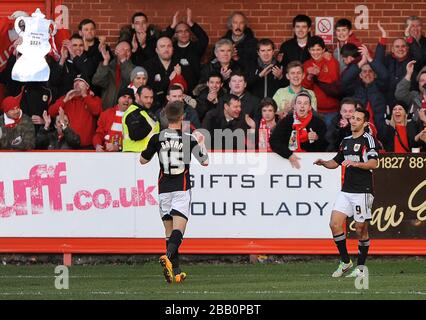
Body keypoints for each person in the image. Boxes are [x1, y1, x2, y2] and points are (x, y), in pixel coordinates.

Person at [140, 101, 208, 283]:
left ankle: (176, 272)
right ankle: (168, 257)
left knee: (168, 233)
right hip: (181, 188)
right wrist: (201, 143)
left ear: (166, 117)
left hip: (164, 190)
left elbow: (142, 160)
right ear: (182, 117)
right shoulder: (188, 139)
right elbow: (205, 161)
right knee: (179, 231)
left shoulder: (157, 138)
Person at [314, 107, 379, 278]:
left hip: (363, 191)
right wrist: (323, 163)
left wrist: (356, 164)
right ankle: (345, 261)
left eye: (358, 119)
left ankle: (361, 268)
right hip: (347, 190)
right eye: (352, 118)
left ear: (365, 123)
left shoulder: (368, 140)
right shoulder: (346, 140)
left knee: (360, 230)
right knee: (334, 224)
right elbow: (336, 162)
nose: (353, 121)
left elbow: (373, 164)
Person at [270, 92, 327, 169]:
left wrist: (317, 138)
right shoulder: (287, 121)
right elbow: (274, 141)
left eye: (305, 103)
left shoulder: (319, 123)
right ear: (294, 106)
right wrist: (289, 155)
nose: (302, 106)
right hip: (287, 162)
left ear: (310, 107)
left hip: (312, 164)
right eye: (299, 103)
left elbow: (327, 146)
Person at [48, 74, 102, 149]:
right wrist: (65, 99)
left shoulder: (93, 99)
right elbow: (51, 112)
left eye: (81, 81)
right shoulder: (66, 98)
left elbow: (96, 111)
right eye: (75, 81)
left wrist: (85, 95)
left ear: (87, 86)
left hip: (87, 146)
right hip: (68, 145)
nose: (77, 83)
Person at [302, 36, 340, 127]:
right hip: (314, 110)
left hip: (332, 110)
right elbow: (304, 86)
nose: (315, 52)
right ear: (309, 50)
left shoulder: (331, 61)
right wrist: (310, 76)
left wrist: (319, 74)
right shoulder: (307, 64)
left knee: (330, 137)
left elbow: (333, 80)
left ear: (323, 50)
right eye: (313, 50)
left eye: (318, 49)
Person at [164, 8, 209, 84]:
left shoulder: (196, 47)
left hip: (194, 88)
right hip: (175, 89)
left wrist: (190, 23)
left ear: (189, 33)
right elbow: (161, 41)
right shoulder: (171, 48)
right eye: (180, 31)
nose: (184, 34)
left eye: (186, 31)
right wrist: (173, 26)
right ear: (175, 35)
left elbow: (204, 39)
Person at [92, 39, 134, 109]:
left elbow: (130, 79)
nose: (125, 52)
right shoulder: (107, 66)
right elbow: (97, 81)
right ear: (116, 52)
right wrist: (105, 61)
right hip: (107, 110)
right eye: (123, 50)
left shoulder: (134, 69)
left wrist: (123, 61)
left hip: (125, 110)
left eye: (128, 50)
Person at [122, 86, 160, 152]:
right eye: (146, 97)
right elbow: (135, 135)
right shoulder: (133, 112)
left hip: (145, 155)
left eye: (151, 97)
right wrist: (149, 126)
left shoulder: (145, 112)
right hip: (134, 155)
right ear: (137, 96)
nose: (149, 100)